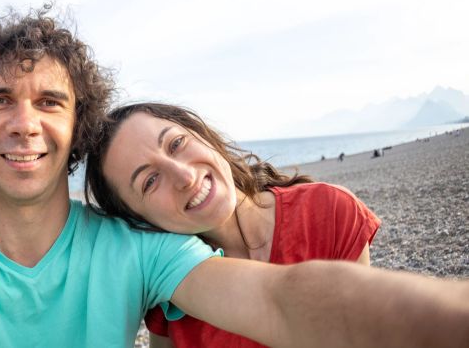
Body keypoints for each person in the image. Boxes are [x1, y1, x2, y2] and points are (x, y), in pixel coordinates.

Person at [0, 5, 469, 348]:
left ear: (78, 127)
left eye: (49, 101)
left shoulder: (136, 249)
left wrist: (444, 320)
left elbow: (280, 299)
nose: (24, 123)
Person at [84, 103, 381, 348]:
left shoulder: (328, 212)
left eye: (176, 143)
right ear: (140, 221)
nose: (185, 176)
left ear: (201, 134)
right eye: (150, 181)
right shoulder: (169, 294)